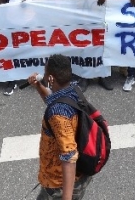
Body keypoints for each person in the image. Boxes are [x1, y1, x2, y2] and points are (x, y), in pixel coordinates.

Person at [27, 54, 93, 200]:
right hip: (79, 176)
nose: (43, 76)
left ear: (51, 79)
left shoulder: (58, 114)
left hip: (58, 184)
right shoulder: (73, 90)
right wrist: (38, 85)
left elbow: (69, 158)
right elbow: (53, 100)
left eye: (45, 74)